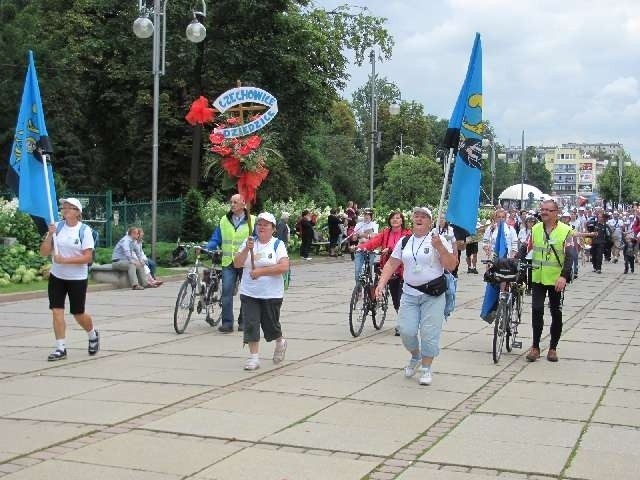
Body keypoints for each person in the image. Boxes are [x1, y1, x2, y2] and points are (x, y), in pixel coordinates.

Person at [375, 207, 458, 386]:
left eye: (423, 217)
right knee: (406, 331)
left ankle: (426, 368)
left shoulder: (438, 239)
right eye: (416, 216)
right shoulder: (405, 241)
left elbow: (451, 265)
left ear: (430, 222)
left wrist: (440, 248)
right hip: (410, 293)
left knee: (429, 334)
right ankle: (416, 356)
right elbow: (391, 263)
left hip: (433, 295)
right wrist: (381, 283)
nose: (419, 219)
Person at [39, 198, 99, 361]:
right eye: (63, 207)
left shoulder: (84, 230)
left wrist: (65, 260)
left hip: (77, 278)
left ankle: (92, 334)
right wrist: (50, 235)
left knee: (78, 313)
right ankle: (60, 348)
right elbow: (44, 252)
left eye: (69, 207)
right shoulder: (56, 227)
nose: (65, 210)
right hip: (57, 276)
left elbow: (87, 257)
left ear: (77, 212)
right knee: (57, 311)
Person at [234, 212, 289, 371]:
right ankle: (254, 358)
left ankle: (280, 341)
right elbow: (237, 264)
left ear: (273, 228)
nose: (261, 227)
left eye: (266, 225)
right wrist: (246, 249)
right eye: (259, 224)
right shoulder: (249, 242)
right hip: (249, 292)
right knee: (251, 324)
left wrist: (261, 272)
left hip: (271, 294)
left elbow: (284, 267)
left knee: (270, 326)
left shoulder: (278, 244)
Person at [525, 200, 575, 363]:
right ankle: (535, 347)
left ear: (556, 213)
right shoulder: (535, 229)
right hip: (538, 277)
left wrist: (564, 276)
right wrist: (513, 259)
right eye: (542, 209)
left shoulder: (566, 231)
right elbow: (527, 248)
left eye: (547, 210)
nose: (544, 212)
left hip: (556, 280)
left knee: (556, 313)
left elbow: (570, 256)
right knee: (537, 310)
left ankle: (553, 348)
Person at [206, 193, 256, 333]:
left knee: (246, 293)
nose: (232, 204)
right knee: (226, 292)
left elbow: (257, 239)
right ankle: (227, 323)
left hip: (245, 262)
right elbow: (216, 238)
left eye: (235, 202)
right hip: (228, 262)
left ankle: (243, 321)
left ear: (243, 204)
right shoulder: (224, 220)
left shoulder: (252, 220)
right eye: (231, 202)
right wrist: (208, 246)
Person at [358, 210, 412, 335]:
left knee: (401, 298)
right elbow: (374, 242)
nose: (395, 220)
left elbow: (406, 247)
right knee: (395, 298)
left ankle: (402, 324)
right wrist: (360, 248)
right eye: (393, 218)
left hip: (403, 270)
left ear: (402, 220)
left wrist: (391, 249)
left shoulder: (407, 233)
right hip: (389, 269)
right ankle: (401, 320)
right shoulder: (386, 233)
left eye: (398, 218)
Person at [351, 208, 379, 283]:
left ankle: (369, 286)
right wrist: (355, 235)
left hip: (370, 249)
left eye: (368, 215)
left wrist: (362, 235)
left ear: (371, 216)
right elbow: (354, 239)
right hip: (360, 248)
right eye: (365, 214)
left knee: (369, 270)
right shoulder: (358, 225)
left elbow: (374, 236)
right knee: (357, 271)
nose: (366, 216)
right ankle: (358, 289)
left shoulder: (374, 225)